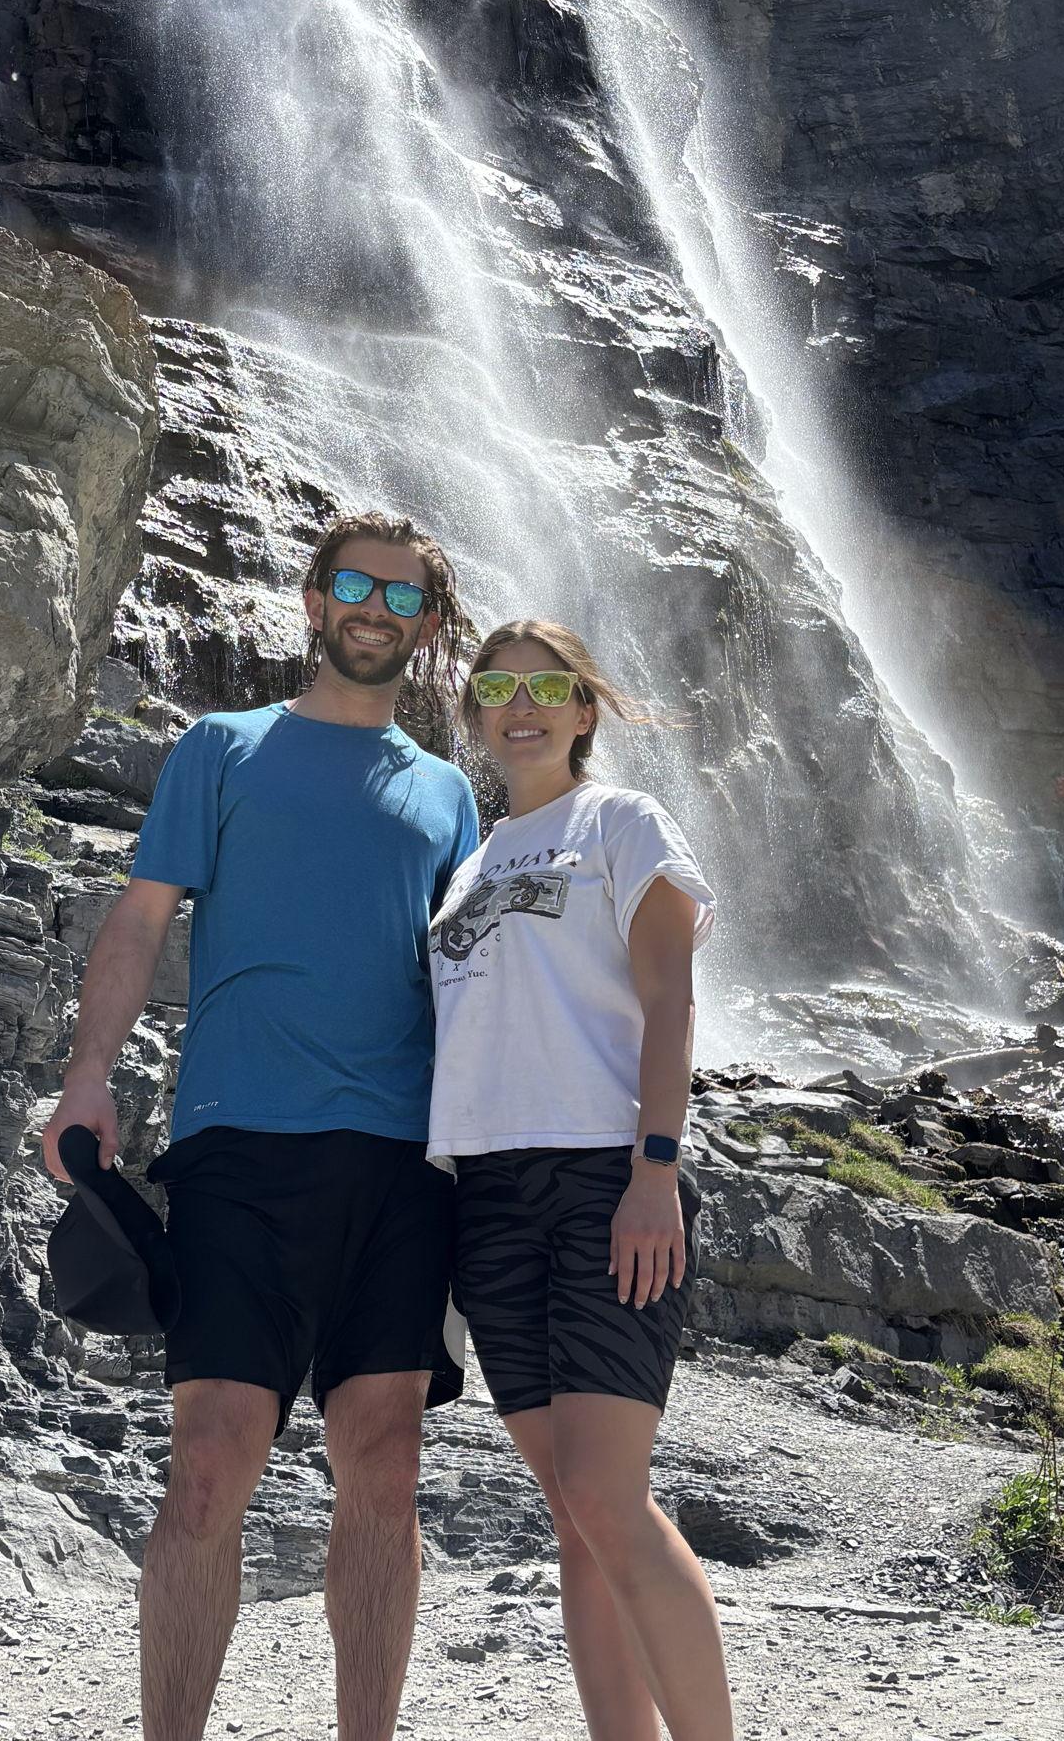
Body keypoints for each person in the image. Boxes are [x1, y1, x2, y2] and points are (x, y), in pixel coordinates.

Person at [40, 512, 480, 1741]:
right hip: (238, 1144)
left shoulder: (449, 795)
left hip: (402, 1161)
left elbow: (478, 985)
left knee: (384, 1466)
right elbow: (135, 924)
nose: (373, 607)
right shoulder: (220, 748)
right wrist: (88, 1075)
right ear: (309, 597)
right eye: (353, 583)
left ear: (428, 626)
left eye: (400, 595)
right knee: (206, 1466)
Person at [428, 619, 734, 1741]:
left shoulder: (620, 819)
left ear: (583, 707)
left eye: (544, 685)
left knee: (608, 1495)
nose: (520, 703)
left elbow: (669, 998)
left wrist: (655, 1169)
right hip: (486, 1192)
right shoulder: (463, 865)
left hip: (608, 1174)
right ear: (473, 708)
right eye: (496, 684)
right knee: (573, 1513)